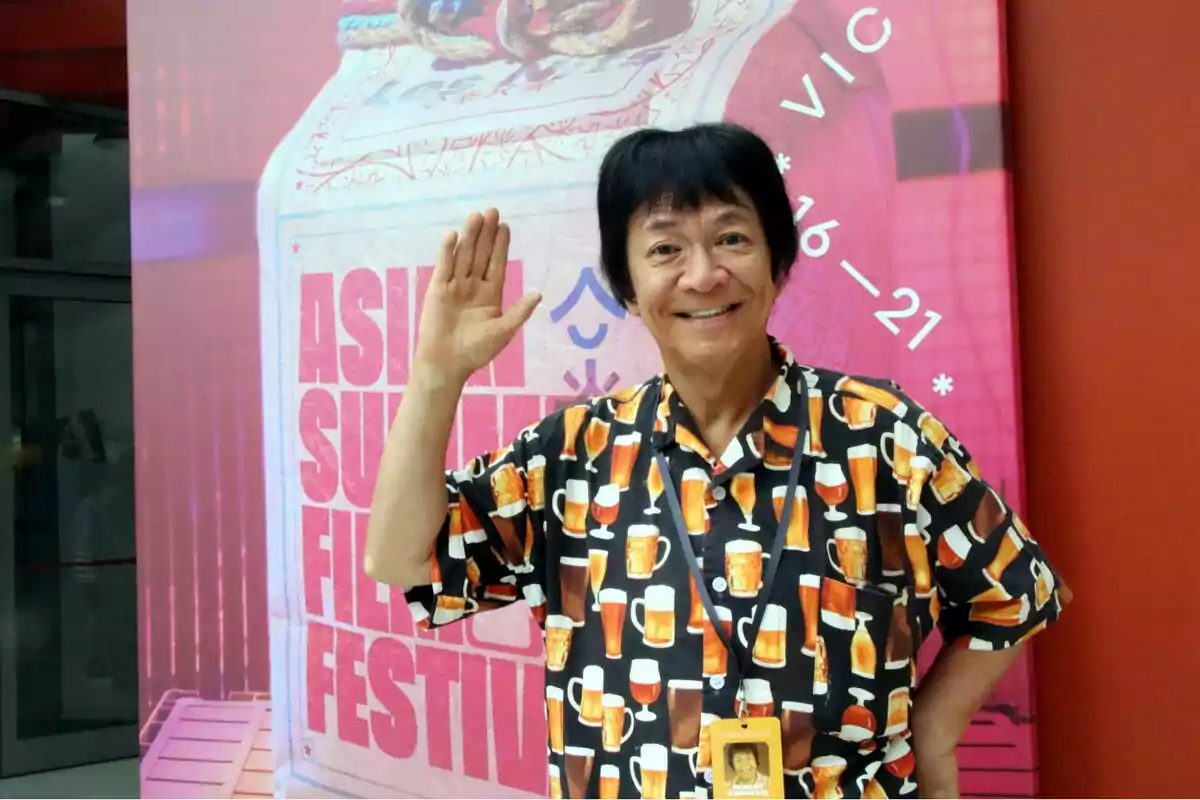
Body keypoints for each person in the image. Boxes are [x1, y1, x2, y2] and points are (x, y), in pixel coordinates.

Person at [365, 122, 1068, 799]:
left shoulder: (881, 435)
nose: (704, 275)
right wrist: (437, 372)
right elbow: (403, 560)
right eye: (666, 250)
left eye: (732, 238)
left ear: (779, 262)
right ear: (627, 287)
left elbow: (1019, 591)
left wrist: (934, 730)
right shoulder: (573, 455)